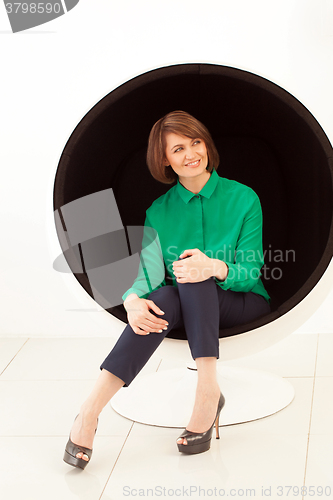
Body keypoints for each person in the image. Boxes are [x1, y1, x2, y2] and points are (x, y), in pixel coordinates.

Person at [63, 110, 271, 468]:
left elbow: (250, 273)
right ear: (164, 159)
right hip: (187, 301)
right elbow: (149, 274)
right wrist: (130, 300)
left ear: (206, 145)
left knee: (194, 273)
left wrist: (213, 267)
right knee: (164, 294)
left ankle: (206, 391)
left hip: (242, 299)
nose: (191, 153)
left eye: (196, 142)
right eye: (178, 148)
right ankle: (90, 410)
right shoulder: (159, 211)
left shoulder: (244, 198)